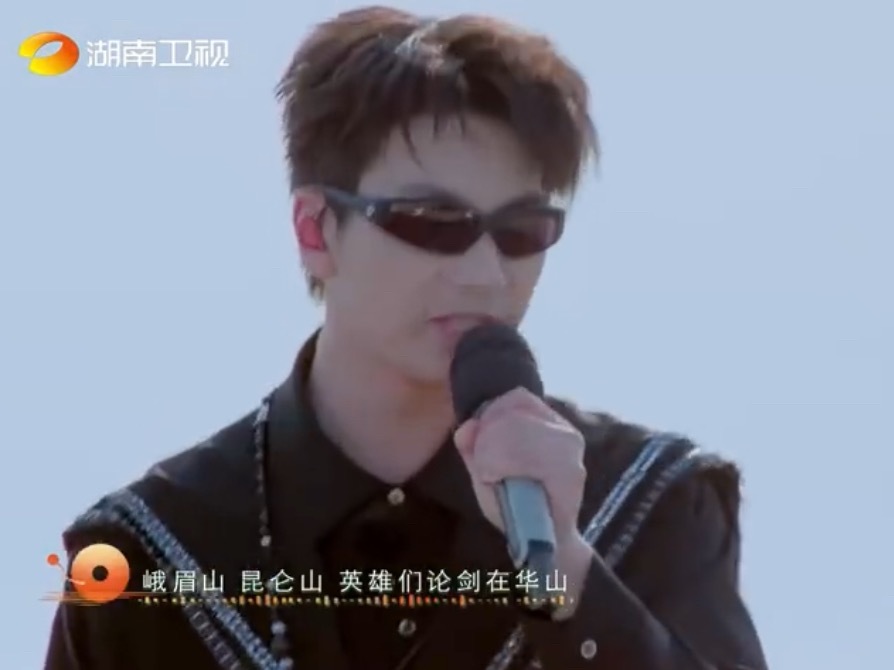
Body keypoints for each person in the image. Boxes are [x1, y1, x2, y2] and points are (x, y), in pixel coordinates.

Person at [45, 6, 768, 670]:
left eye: (522, 230)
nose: (486, 274)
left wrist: (568, 574)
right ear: (316, 230)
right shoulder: (150, 553)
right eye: (432, 223)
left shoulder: (649, 505)